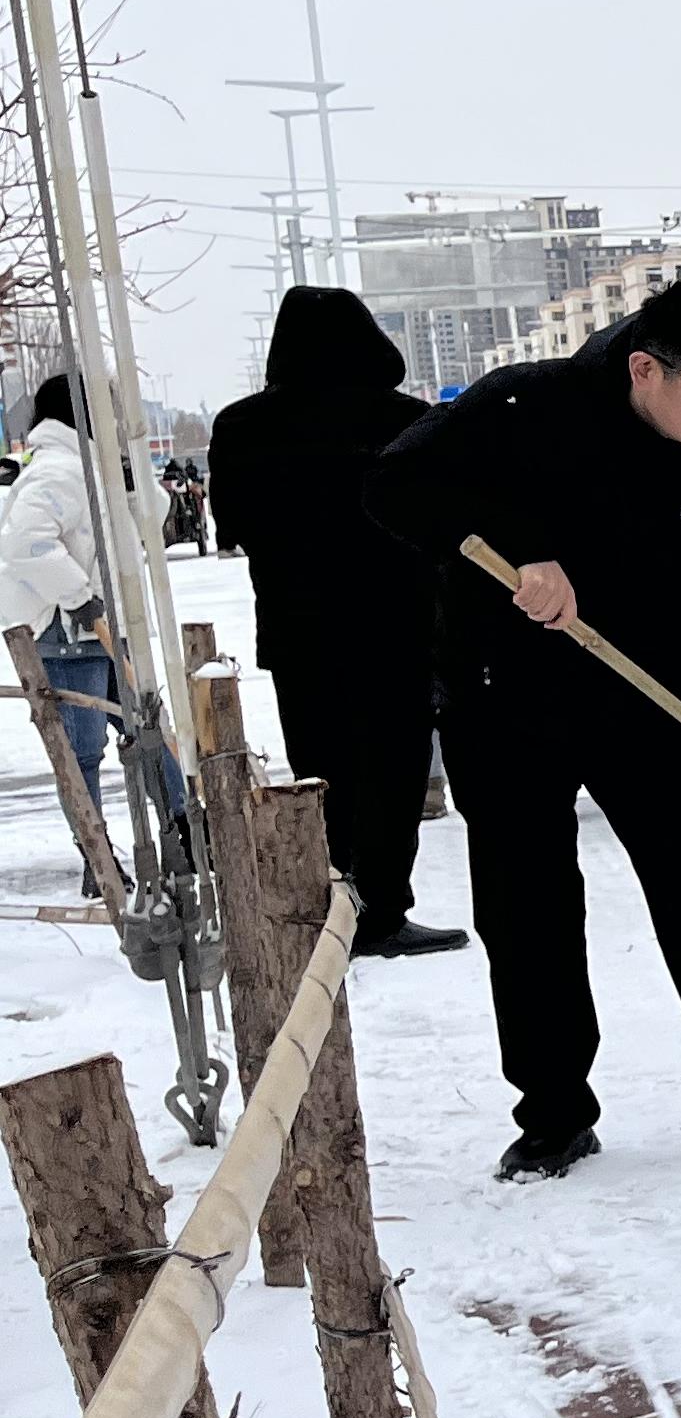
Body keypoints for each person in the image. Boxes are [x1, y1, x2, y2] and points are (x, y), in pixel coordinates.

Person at [368, 278, 681, 1182]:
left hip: (647, 703)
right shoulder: (524, 404)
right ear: (645, 369)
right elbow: (394, 484)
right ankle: (552, 1117)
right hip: (502, 698)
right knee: (527, 905)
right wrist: (518, 549)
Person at [205, 286, 467, 957]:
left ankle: (329, 909)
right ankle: (382, 910)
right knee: (395, 771)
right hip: (400, 628)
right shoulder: (406, 419)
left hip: (300, 632)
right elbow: (444, 522)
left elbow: (232, 528)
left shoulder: (240, 427)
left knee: (322, 769)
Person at [0, 374, 118, 824]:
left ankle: (183, 831)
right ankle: (97, 855)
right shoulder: (58, 469)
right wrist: (78, 596)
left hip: (101, 624)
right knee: (82, 753)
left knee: (146, 734)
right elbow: (27, 542)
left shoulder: (85, 464)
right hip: (70, 628)